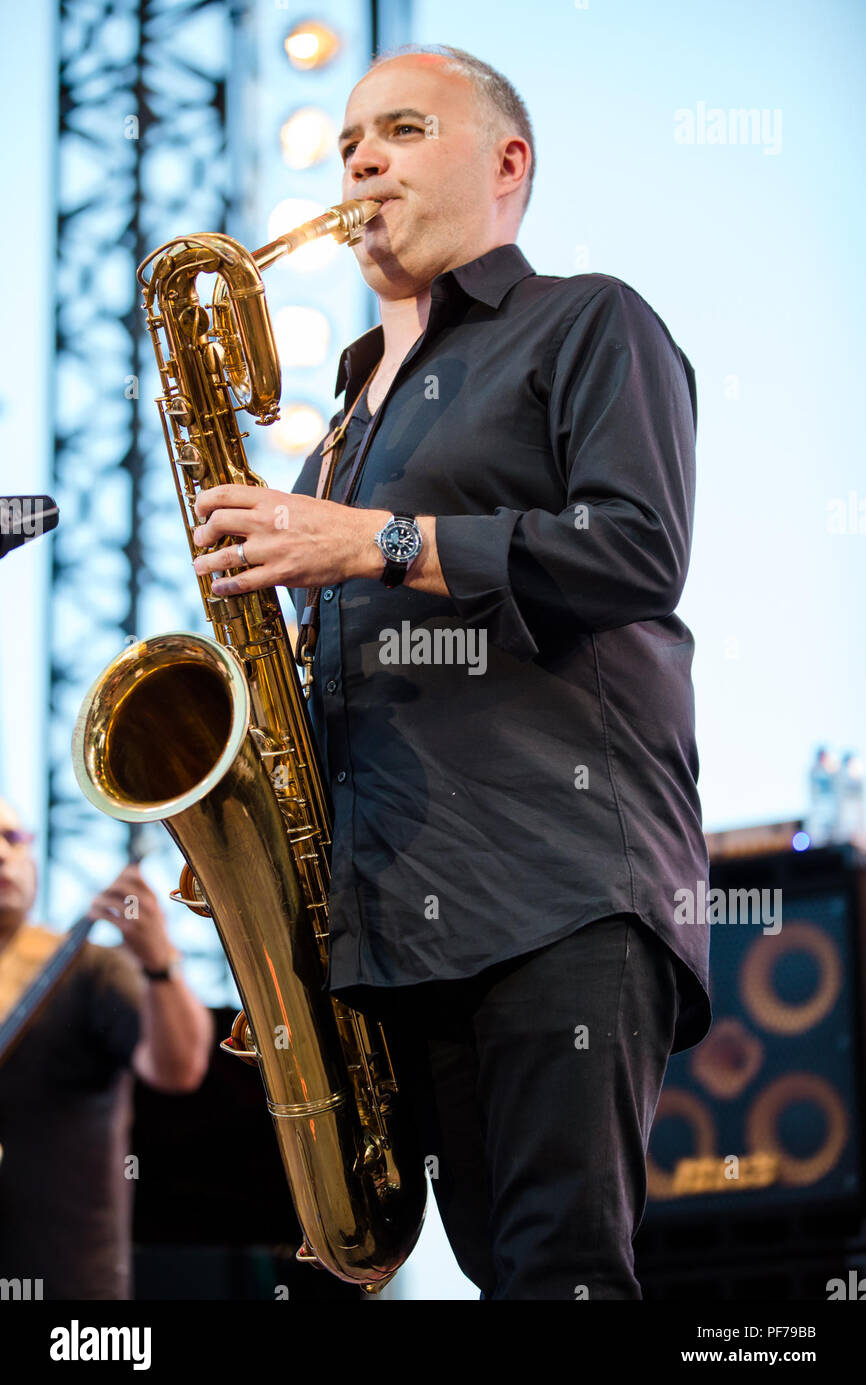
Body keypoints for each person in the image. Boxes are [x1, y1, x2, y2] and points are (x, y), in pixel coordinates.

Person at [190, 44, 712, 1299]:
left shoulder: (588, 320)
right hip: (380, 936)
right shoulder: (338, 426)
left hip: (555, 890)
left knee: (559, 1274)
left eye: (403, 129)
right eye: (348, 141)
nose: (359, 158)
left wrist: (375, 541)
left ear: (506, 164)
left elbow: (636, 553)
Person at [0, 797, 213, 1299]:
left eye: (12, 839)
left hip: (70, 1288)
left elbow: (177, 1068)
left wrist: (159, 965)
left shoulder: (89, 967)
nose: (1, 855)